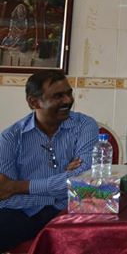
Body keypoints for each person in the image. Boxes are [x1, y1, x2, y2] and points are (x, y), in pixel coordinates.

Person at [0, 70, 99, 252]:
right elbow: (4, 193)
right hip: (22, 213)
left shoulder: (84, 125)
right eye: (58, 96)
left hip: (69, 210)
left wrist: (21, 186)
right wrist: (64, 179)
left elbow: (85, 182)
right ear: (34, 102)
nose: (68, 100)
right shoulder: (11, 138)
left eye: (69, 93)